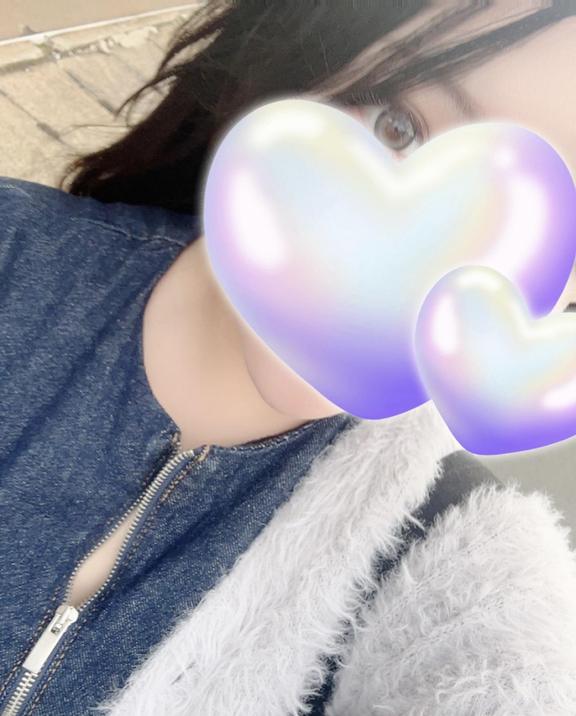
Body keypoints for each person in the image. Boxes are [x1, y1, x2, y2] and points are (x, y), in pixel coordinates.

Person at [1, 2, 576, 714]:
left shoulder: (462, 560)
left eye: (544, 232)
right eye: (399, 127)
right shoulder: (13, 251)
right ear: (308, 59)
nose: (414, 266)